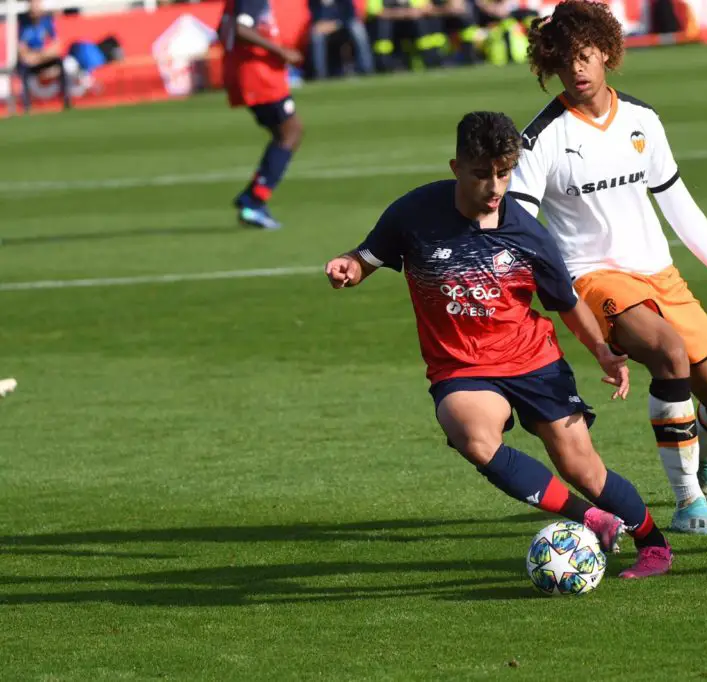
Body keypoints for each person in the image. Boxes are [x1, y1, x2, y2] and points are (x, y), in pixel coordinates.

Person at [325, 111, 673, 578]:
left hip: (534, 360)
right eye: (481, 174)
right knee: (474, 437)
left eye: (504, 173)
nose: (494, 187)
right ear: (456, 168)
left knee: (584, 469)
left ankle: (653, 544)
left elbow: (566, 302)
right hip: (461, 366)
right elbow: (365, 258)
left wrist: (602, 351)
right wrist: (349, 267)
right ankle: (588, 517)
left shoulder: (527, 233)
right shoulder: (413, 213)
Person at [509, 0, 707, 535]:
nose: (577, 69)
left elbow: (680, 208)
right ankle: (687, 502)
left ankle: (703, 456)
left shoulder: (641, 120)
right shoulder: (541, 138)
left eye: (586, 55)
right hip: (594, 278)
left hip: (660, 275)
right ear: (550, 65)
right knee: (668, 351)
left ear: (607, 52)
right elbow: (519, 228)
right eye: (564, 61)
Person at [219, 0, 305, 230]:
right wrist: (280, 51)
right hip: (259, 76)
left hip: (252, 73)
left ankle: (253, 197)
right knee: (291, 131)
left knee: (286, 132)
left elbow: (223, 28)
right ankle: (254, 201)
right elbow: (241, 29)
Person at [17, 0, 71, 112]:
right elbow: (21, 48)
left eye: (37, 4)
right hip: (31, 60)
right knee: (23, 68)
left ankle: (66, 101)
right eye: (32, 4)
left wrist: (40, 56)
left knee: (60, 62)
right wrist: (30, 57)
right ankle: (27, 106)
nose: (35, 7)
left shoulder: (47, 20)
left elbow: (56, 46)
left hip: (42, 57)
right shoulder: (23, 21)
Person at [306, 0, 374, 78]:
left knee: (357, 28)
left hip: (343, 27)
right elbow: (315, 18)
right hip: (324, 29)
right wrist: (321, 25)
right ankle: (320, 74)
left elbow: (350, 15)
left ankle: (367, 68)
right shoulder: (314, 2)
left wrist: (336, 24)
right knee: (316, 34)